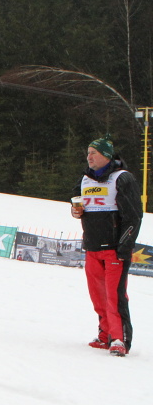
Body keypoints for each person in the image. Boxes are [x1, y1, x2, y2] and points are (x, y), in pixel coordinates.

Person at [71, 135, 142, 357]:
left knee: (115, 296)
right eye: (88, 153)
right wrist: (75, 211)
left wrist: (124, 247)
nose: (89, 157)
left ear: (106, 155)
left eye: (94, 153)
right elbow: (77, 204)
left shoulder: (122, 178)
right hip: (92, 247)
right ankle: (105, 334)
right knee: (98, 296)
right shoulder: (85, 179)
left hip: (114, 249)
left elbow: (134, 216)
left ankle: (119, 339)